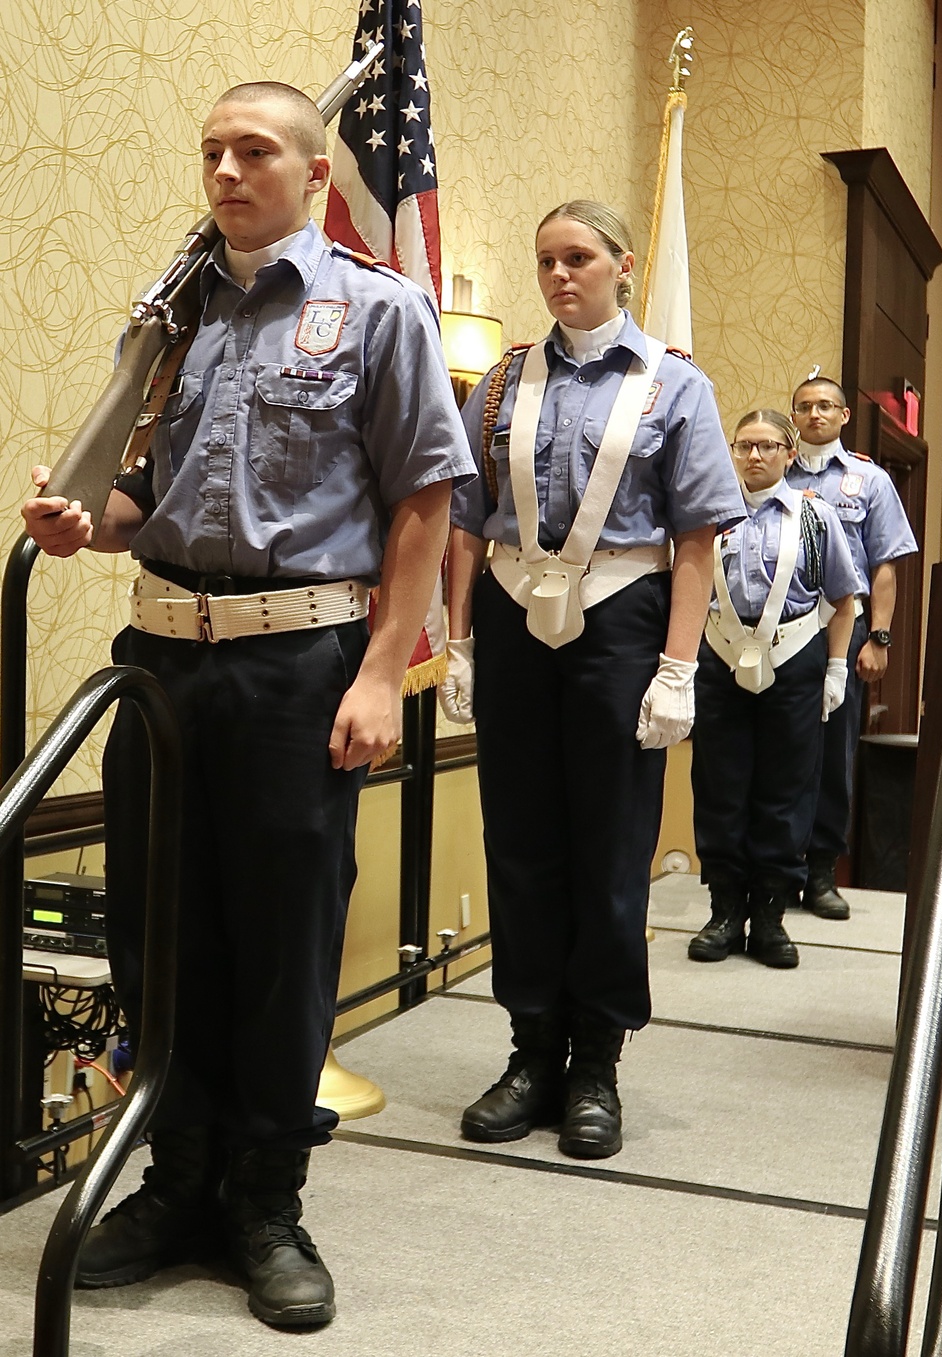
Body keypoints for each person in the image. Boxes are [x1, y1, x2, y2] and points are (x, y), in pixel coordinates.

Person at [21, 81, 473, 1330]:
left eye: (255, 151)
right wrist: (82, 526)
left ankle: (266, 1201)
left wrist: (384, 669)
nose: (227, 169)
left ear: (314, 173)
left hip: (298, 669)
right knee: (158, 937)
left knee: (279, 946)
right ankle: (175, 1186)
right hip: (162, 665)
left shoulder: (375, 312)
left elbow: (424, 503)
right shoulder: (169, 322)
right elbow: (142, 505)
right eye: (212, 151)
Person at [440, 199, 745, 1159]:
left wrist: (678, 667)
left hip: (622, 620)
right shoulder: (497, 383)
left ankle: (596, 1062)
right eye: (545, 261)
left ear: (622, 263)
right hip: (512, 619)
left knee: (611, 848)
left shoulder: (675, 388)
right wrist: (456, 642)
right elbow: (463, 519)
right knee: (521, 841)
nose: (560, 275)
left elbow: (695, 537)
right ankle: (532, 1050)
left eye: (579, 258)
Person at [687, 410, 861, 968]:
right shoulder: (709, 519)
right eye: (744, 446)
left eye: (767, 446)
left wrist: (837, 669)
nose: (754, 456)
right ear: (733, 453)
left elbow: (843, 599)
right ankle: (723, 911)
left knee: (786, 789)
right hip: (719, 661)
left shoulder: (817, 518)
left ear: (789, 454)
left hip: (794, 661)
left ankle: (769, 916)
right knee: (720, 784)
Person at [786, 376, 918, 919]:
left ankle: (820, 873)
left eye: (825, 407)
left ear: (843, 416)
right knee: (781, 748)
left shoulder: (870, 480)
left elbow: (884, 566)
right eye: (805, 407)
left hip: (847, 629)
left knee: (834, 755)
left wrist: (880, 638)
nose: (815, 415)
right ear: (793, 415)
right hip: (780, 632)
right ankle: (776, 868)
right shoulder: (774, 471)